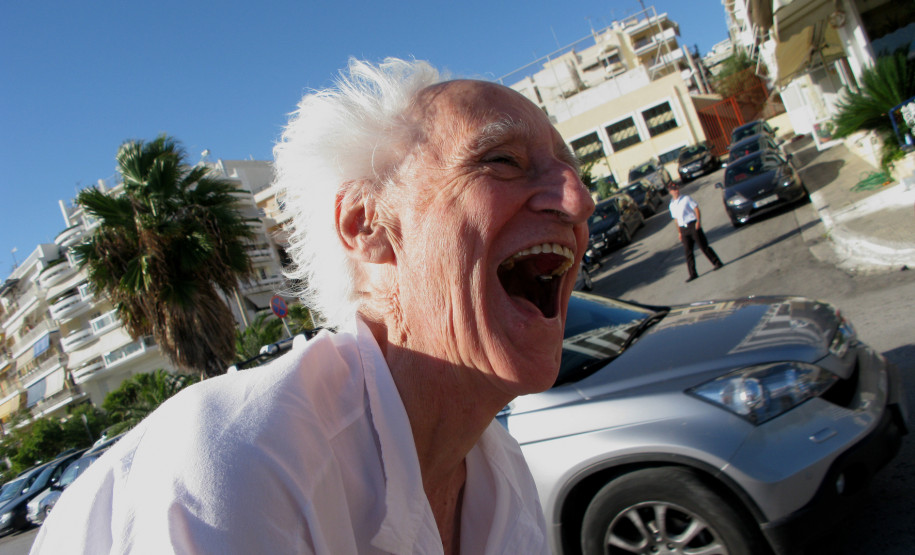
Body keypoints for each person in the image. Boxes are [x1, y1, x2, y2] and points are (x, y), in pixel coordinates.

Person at [32, 58, 594, 554]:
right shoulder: (240, 461)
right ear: (364, 225)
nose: (579, 199)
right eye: (501, 160)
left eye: (570, 169)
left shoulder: (501, 474)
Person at [668, 181, 723, 282]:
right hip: (683, 229)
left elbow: (696, 209)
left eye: (676, 189)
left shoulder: (686, 198)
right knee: (688, 252)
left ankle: (717, 262)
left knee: (703, 246)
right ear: (670, 192)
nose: (675, 191)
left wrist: (698, 221)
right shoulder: (671, 205)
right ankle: (693, 274)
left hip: (692, 225)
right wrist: (679, 232)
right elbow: (676, 219)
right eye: (673, 190)